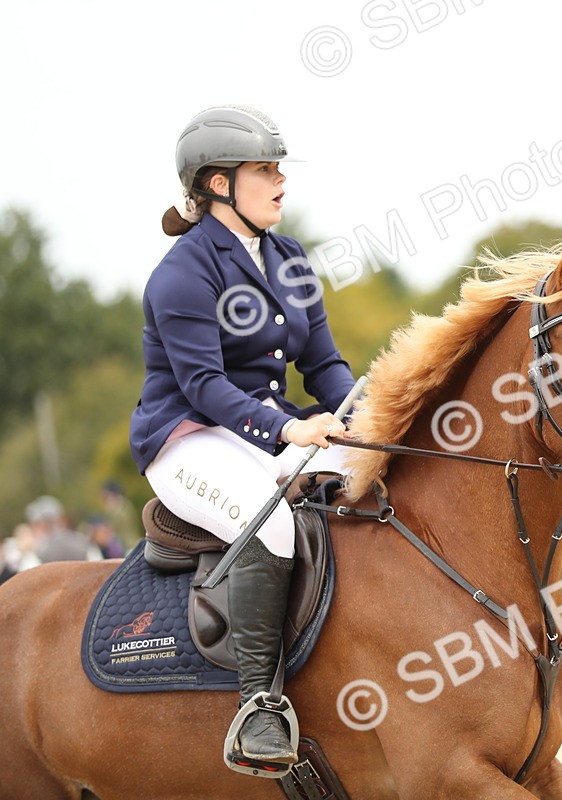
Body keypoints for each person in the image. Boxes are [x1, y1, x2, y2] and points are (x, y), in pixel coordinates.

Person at [130, 105, 358, 767]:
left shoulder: (286, 257)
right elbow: (202, 386)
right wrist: (291, 427)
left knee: (360, 482)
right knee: (273, 527)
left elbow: (322, 365)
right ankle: (259, 706)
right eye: (266, 168)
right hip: (186, 439)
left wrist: (370, 419)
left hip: (261, 435)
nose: (282, 180)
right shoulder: (182, 274)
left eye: (279, 167)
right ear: (218, 183)